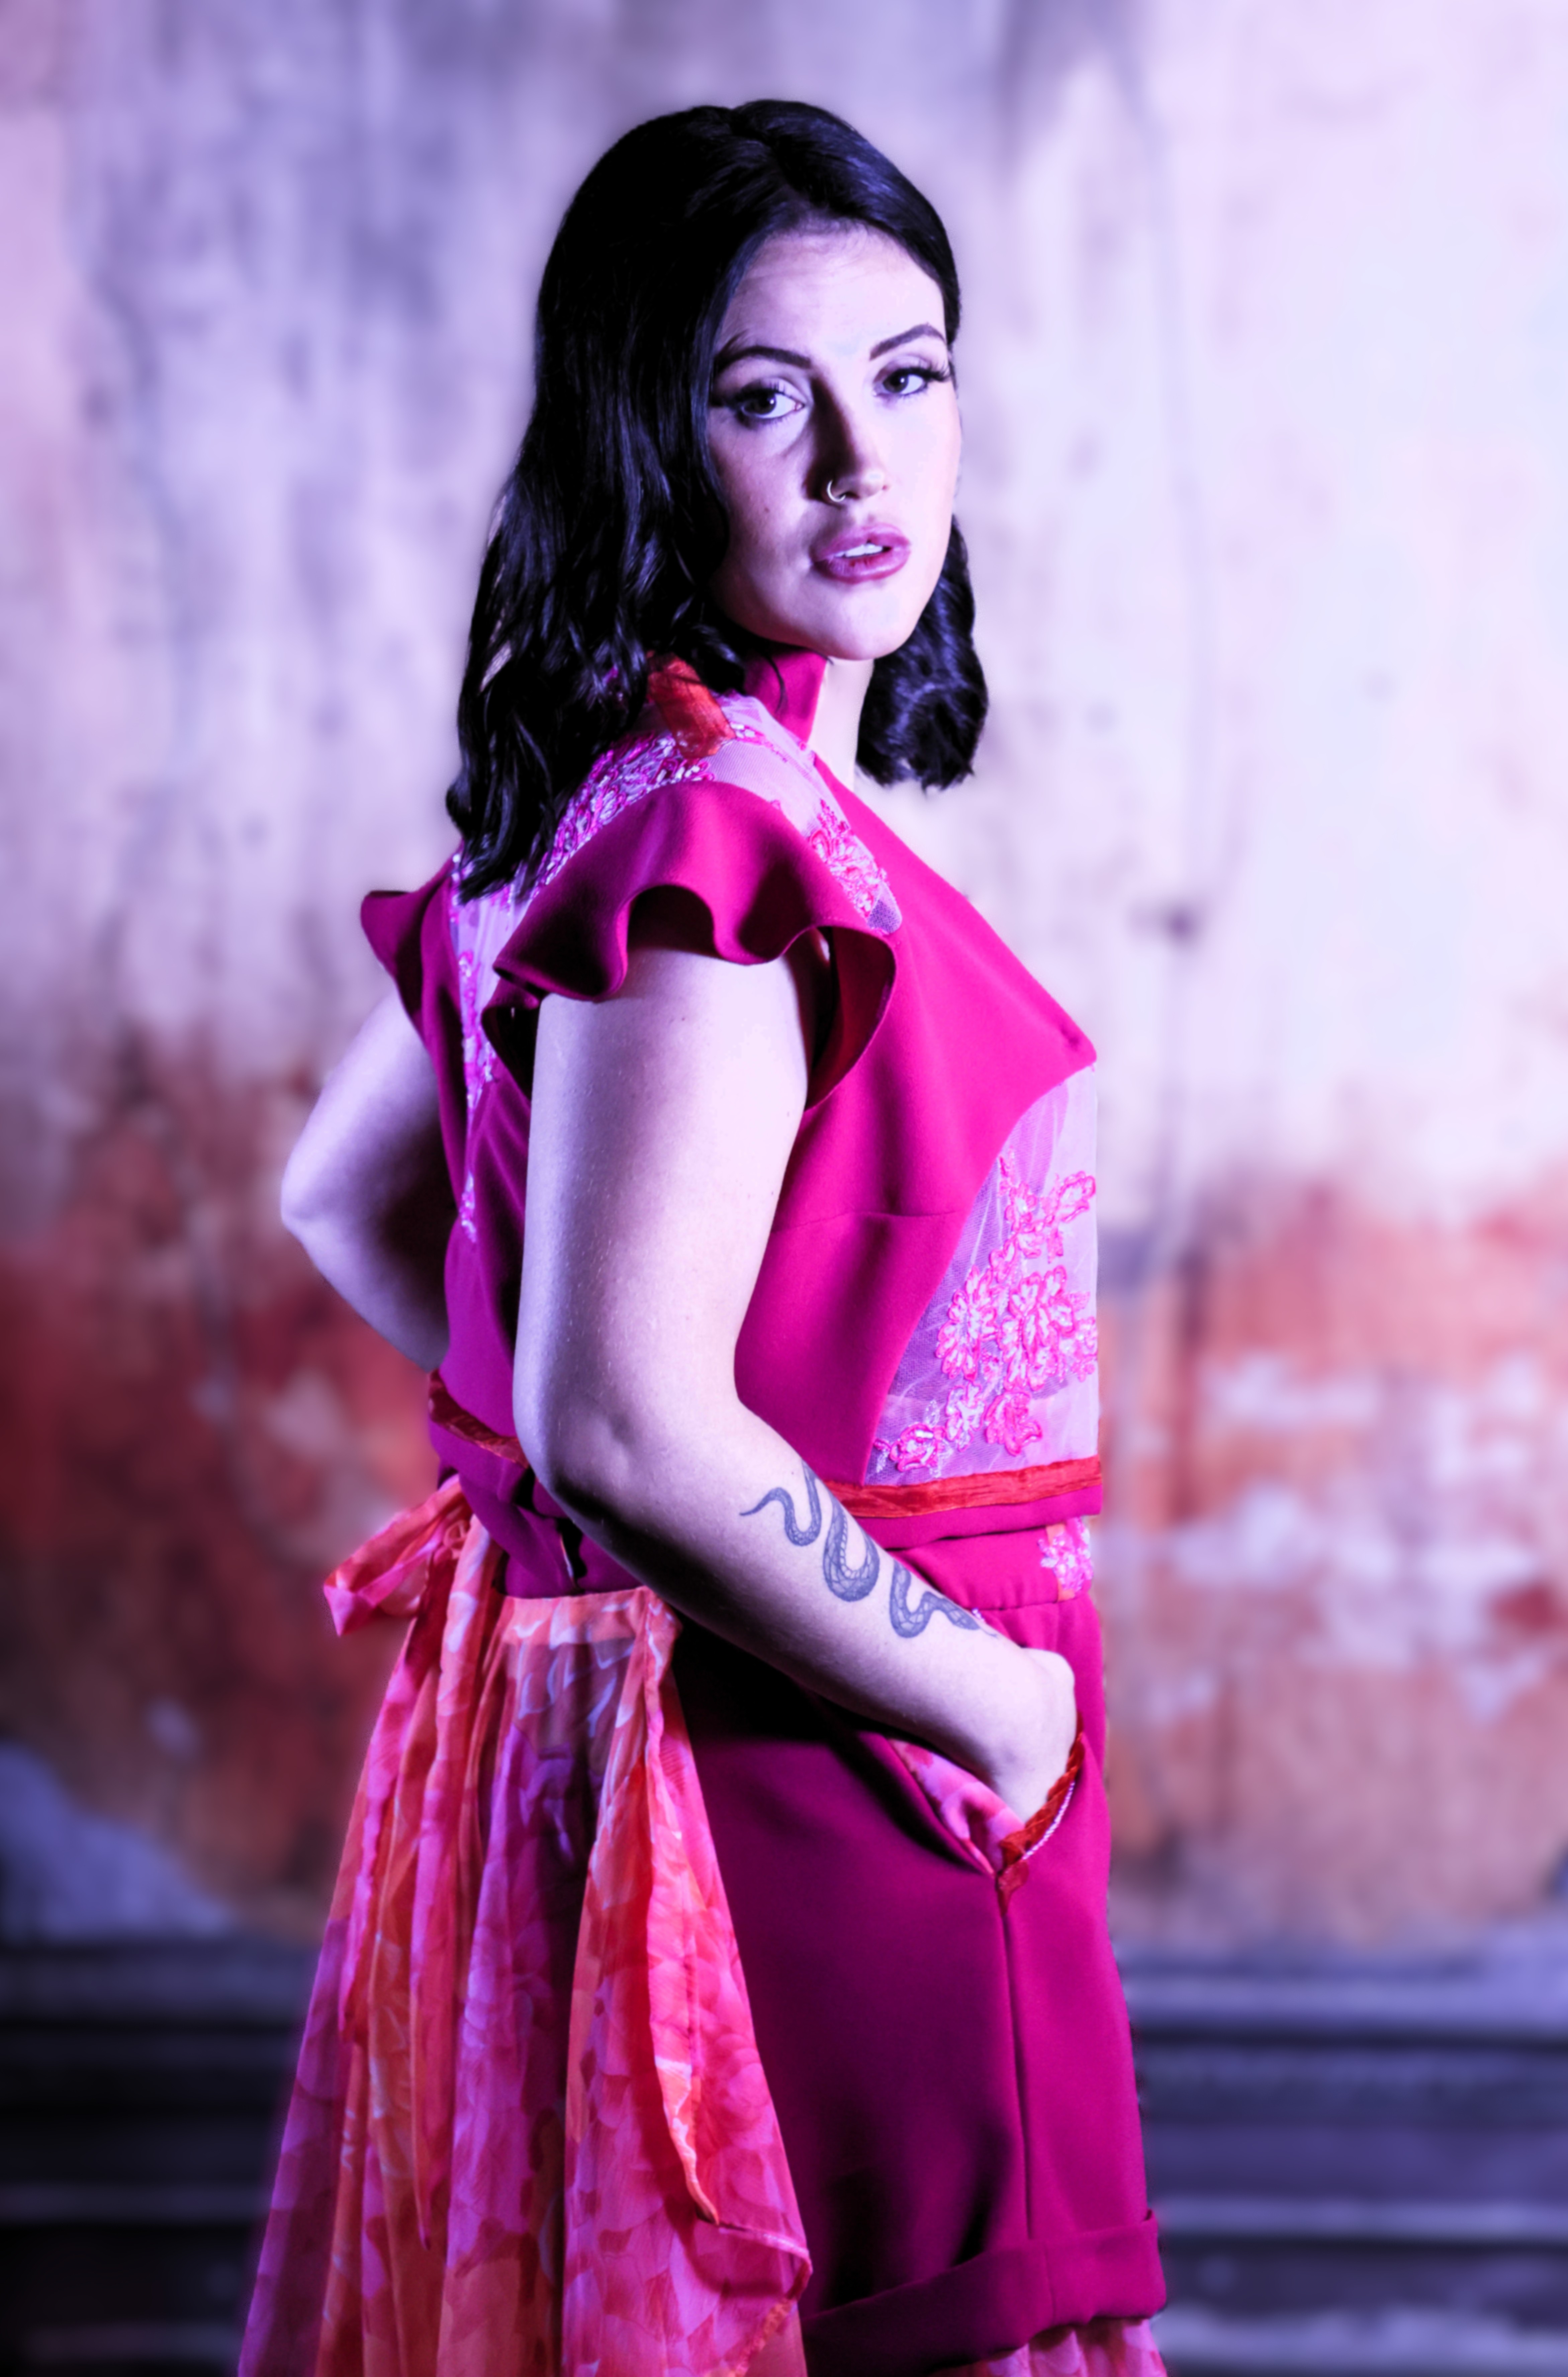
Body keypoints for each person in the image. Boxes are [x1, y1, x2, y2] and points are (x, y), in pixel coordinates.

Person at [240, 100, 1166, 2377]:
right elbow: (626, 1418)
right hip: (837, 1759)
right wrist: (993, 1693)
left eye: (911, 375)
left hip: (729, 1722)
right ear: (647, 441)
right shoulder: (719, 840)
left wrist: (582, 1536)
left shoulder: (611, 794)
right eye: (765, 400)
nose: (865, 465)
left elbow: (350, 1193)